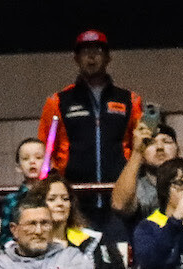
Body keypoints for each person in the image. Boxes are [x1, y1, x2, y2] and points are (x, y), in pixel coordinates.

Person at [38, 29, 140, 225]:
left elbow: (139, 148)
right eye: (85, 52)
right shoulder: (58, 102)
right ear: (76, 58)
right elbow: (46, 150)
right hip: (74, 203)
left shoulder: (130, 100)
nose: (91, 57)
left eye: (98, 51)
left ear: (108, 57)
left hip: (118, 200)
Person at [0, 196, 91, 269]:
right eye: (31, 224)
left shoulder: (71, 257)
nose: (39, 231)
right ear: (14, 230)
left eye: (44, 223)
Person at [37, 176, 123, 269]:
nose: (60, 204)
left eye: (65, 199)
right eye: (52, 199)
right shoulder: (30, 245)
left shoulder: (91, 242)